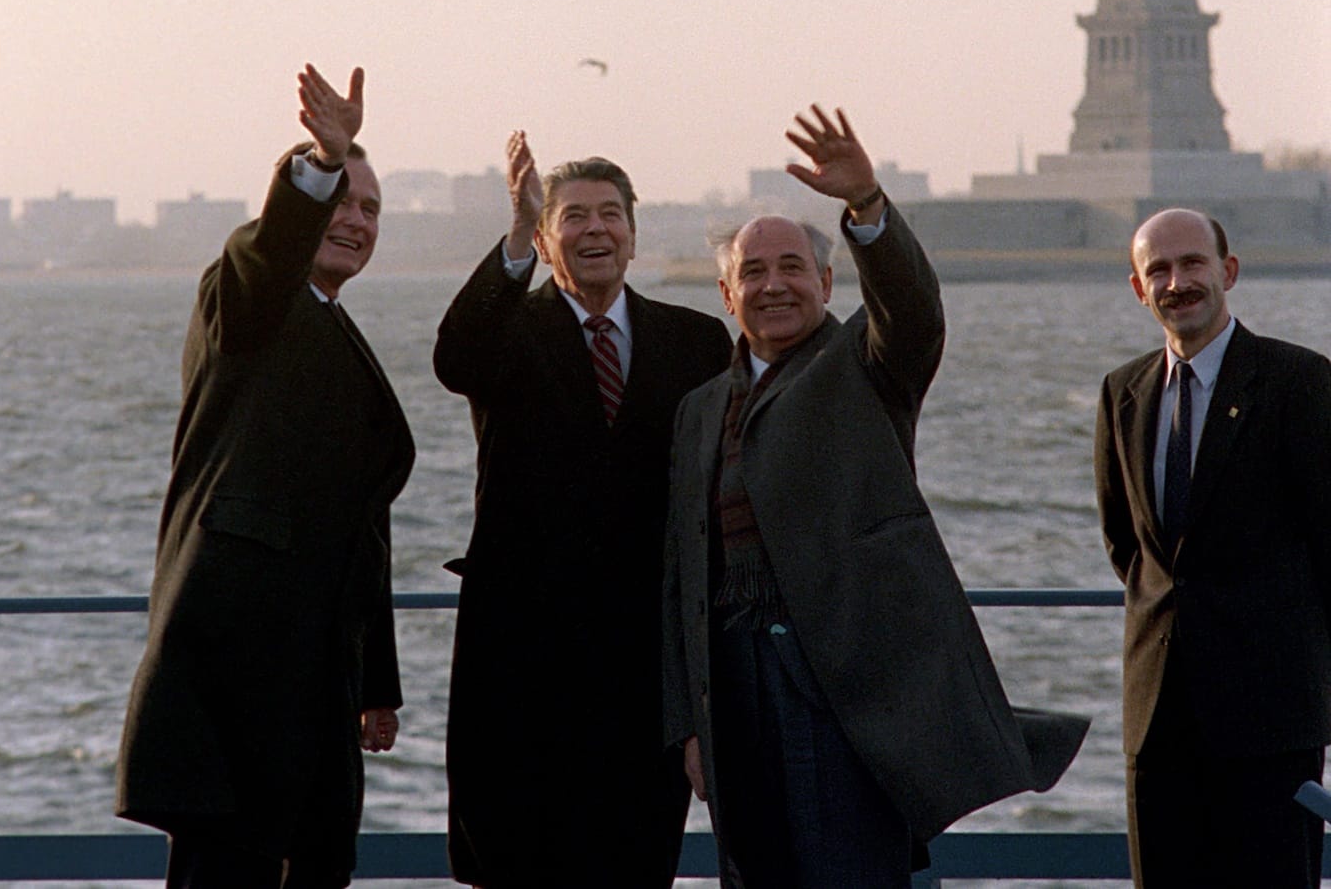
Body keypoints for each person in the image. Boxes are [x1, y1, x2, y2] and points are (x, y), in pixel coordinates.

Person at [664, 104, 1087, 889]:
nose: (773, 285)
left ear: (827, 283)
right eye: (752, 272)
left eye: (792, 267)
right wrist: (688, 722)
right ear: (726, 294)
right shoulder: (697, 409)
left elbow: (912, 312)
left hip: (843, 687)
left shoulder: (865, 365)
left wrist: (866, 206)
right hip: (734, 690)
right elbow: (680, 578)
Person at [117, 64, 416, 889]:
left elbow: (361, 525)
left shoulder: (336, 330)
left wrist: (376, 682)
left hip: (316, 690)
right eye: (340, 201)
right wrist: (324, 160)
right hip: (236, 684)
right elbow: (266, 255)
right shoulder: (247, 300)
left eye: (371, 209)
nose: (355, 220)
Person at [434, 130, 731, 889]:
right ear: (543, 238)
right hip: (523, 662)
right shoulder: (506, 332)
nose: (595, 230)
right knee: (518, 863)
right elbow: (454, 358)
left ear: (633, 232)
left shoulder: (697, 342)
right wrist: (512, 232)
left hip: (643, 667)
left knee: (635, 863)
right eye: (572, 216)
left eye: (610, 215)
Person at [1095, 206, 1331, 889]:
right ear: (1139, 289)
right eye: (1159, 270)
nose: (1178, 283)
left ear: (1227, 271)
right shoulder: (1123, 393)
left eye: (1193, 263)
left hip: (1269, 721)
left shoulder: (1299, 382)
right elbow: (1127, 544)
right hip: (1156, 718)